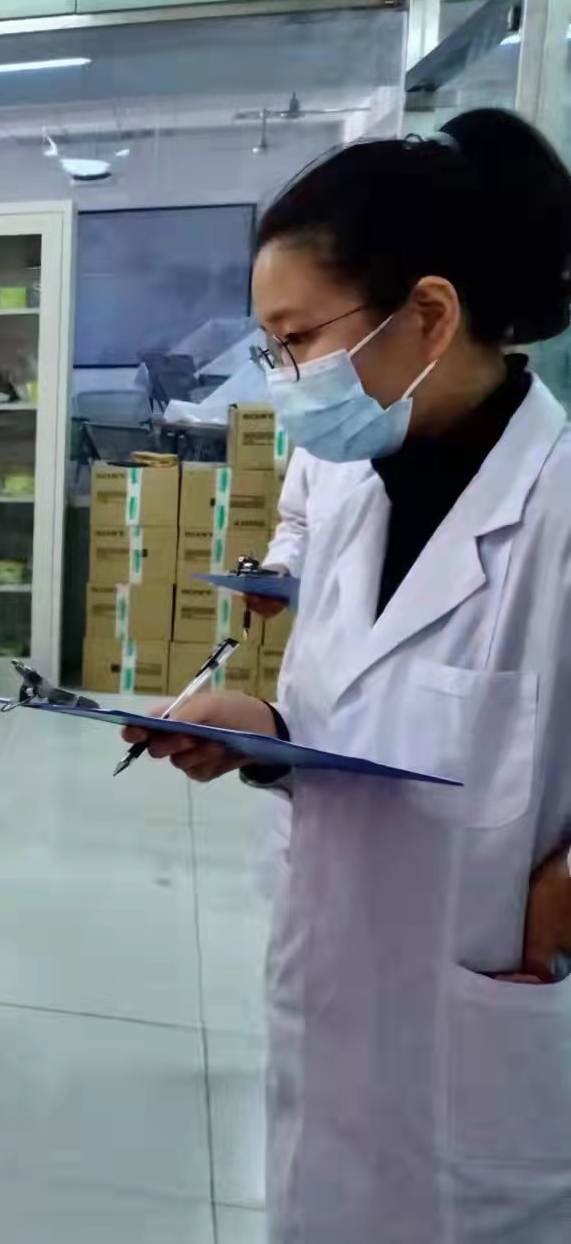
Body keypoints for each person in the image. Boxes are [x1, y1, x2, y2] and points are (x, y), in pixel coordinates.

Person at [122, 108, 571, 1243]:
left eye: (298, 340)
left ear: (429, 315)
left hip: (486, 1024)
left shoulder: (559, 510)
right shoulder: (350, 482)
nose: (285, 378)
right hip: (333, 983)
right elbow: (359, 714)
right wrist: (262, 732)